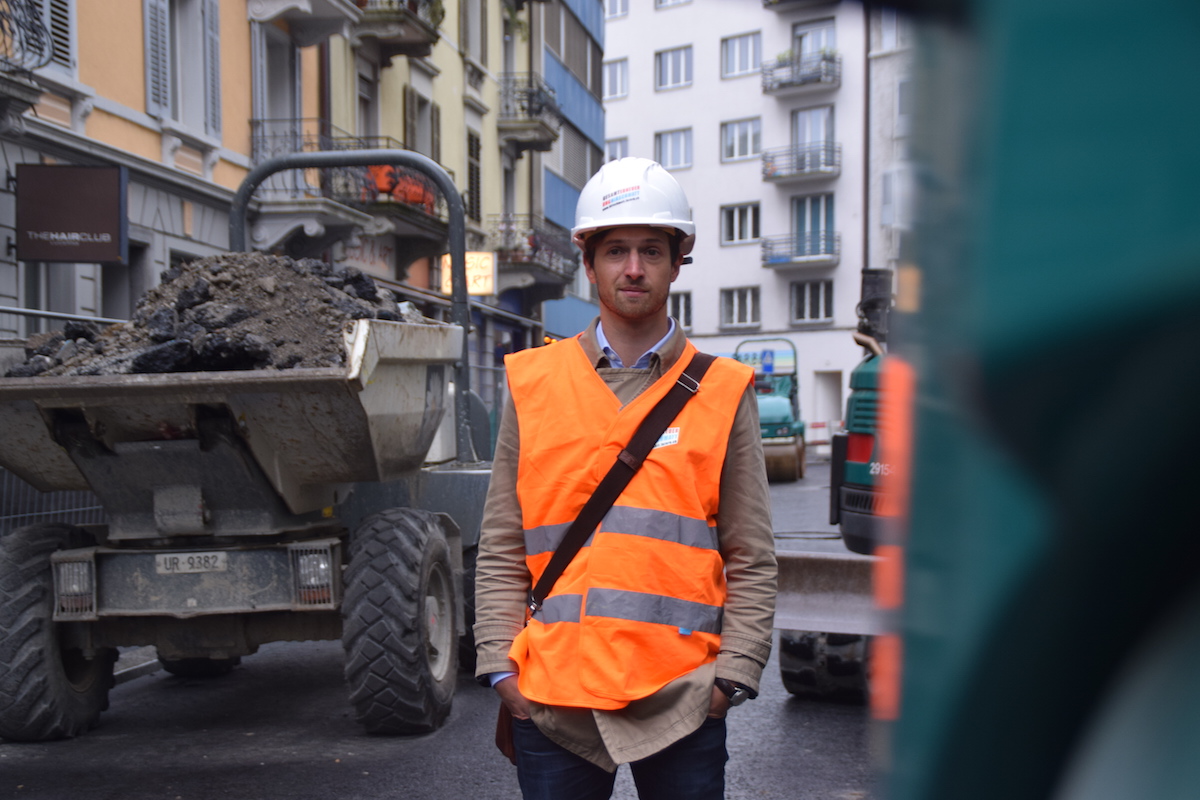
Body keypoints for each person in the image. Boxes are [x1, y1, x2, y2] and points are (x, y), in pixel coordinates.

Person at [472, 157, 777, 800]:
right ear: (590, 263)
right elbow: (502, 544)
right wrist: (501, 668)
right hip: (553, 700)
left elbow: (750, 552)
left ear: (676, 262)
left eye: (650, 250)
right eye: (616, 250)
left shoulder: (723, 391)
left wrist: (733, 677)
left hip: (684, 700)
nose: (633, 268)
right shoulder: (533, 384)